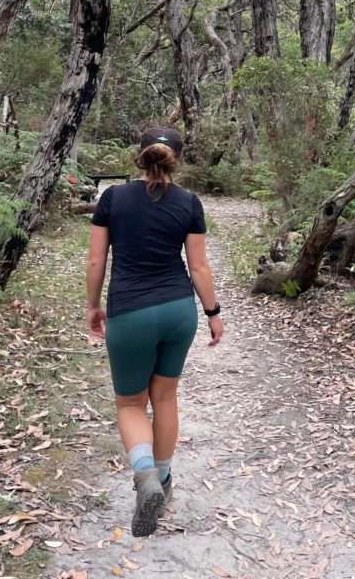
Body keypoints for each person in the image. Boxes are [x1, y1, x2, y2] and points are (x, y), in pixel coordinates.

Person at [85, 126, 224, 537]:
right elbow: (198, 267)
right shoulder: (189, 202)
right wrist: (213, 313)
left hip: (130, 312)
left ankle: (144, 474)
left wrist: (93, 307)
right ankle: (162, 481)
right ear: (175, 159)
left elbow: (96, 261)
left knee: (130, 403)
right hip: (179, 310)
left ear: (140, 156)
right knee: (165, 396)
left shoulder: (112, 198)